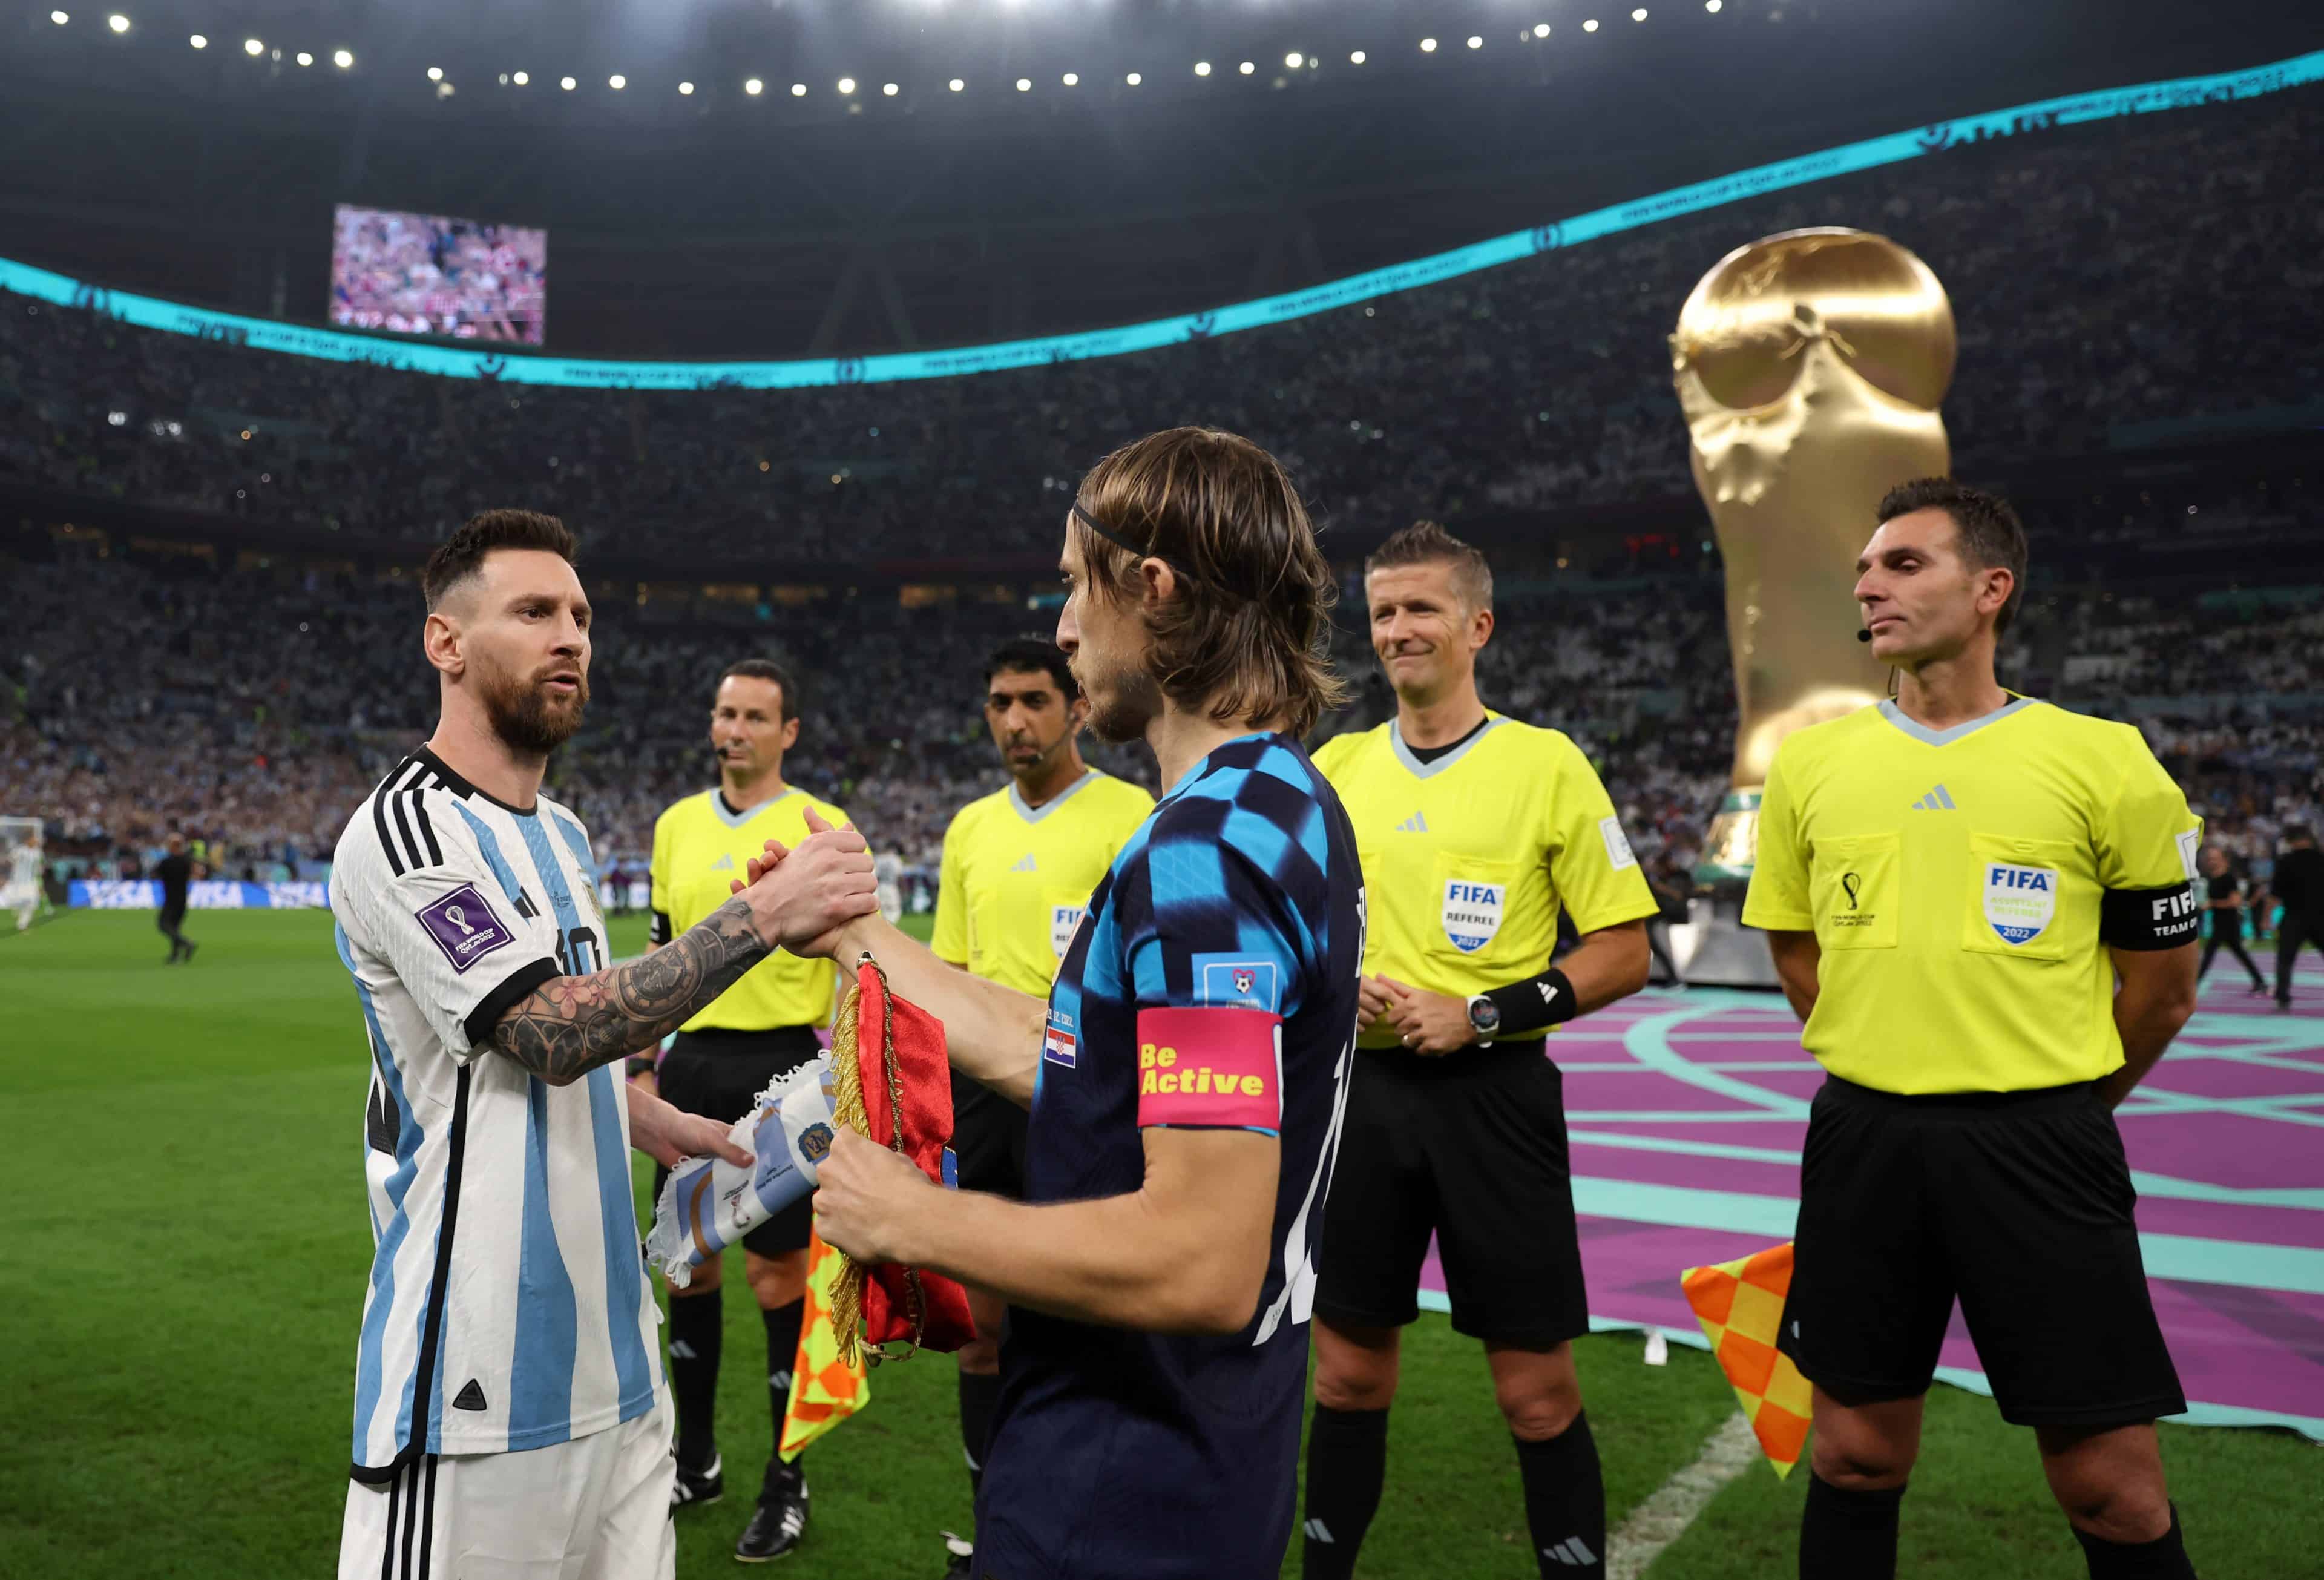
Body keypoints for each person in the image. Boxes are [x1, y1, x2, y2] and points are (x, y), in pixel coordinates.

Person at [790, 426, 1361, 1579]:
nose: (1061, 627)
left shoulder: (1203, 853)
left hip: (1124, 1481)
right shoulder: (1283, 801)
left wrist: (909, 1219)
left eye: (1072, 584)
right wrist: (856, 936)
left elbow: (1201, 1257)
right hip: (1211, 1446)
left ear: (1151, 587)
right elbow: (1066, 1051)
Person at [328, 509, 876, 1580]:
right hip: (475, 1388)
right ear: (446, 641)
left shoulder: (565, 833)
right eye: (535, 612)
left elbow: (526, 1038)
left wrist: (637, 1110)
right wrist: (763, 918)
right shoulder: (408, 830)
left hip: (620, 1375)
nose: (571, 637)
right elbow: (545, 1029)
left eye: (580, 616)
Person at [1742, 478, 2204, 1580]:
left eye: (1904, 564)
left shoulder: (2105, 758)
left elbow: (2162, 989)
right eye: (1865, 568)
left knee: (2113, 1489)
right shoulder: (1809, 763)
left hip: (2043, 1147)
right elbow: (1799, 955)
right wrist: (1892, 1056)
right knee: (1853, 1456)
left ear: (1991, 588)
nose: (1870, 585)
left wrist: (2061, 1099)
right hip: (1863, 1144)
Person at [1298, 522, 1656, 1580]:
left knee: (1535, 1390)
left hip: (1496, 1098)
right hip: (1361, 1099)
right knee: (1346, 1378)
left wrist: (1484, 1013)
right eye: (1383, 612)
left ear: (1479, 625)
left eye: (1422, 608)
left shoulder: (1547, 766)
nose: (1399, 629)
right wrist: (1333, 981)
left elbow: (1625, 951)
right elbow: (1285, 933)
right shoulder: (1334, 769)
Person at [927, 636, 1154, 1576]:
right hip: (985, 1102)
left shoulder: (1132, 816)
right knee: (981, 1335)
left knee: (1090, 1330)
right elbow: (948, 974)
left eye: (1033, 700)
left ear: (1077, 708)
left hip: (1090, 1100)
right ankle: (998, 1529)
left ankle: (1094, 1531)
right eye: (999, 703)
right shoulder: (970, 829)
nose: (1015, 721)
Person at [638, 657, 856, 1561]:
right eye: (725, 713)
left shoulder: (819, 825)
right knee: (686, 1269)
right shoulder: (675, 824)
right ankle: (696, 1458)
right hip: (691, 1063)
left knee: (778, 1279)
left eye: (755, 716)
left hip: (783, 1069)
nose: (734, 729)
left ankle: (786, 1476)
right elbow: (658, 951)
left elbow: (852, 958)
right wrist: (643, 1068)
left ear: (788, 731)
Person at [2194, 846, 2267, 995]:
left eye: (2215, 859)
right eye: (2209, 859)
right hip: (2219, 923)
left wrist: (2212, 904)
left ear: (2223, 860)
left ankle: (2194, 984)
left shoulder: (2229, 878)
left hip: (2229, 923)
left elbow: (2235, 902)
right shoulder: (2212, 879)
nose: (2211, 862)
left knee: (2209, 954)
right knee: (2239, 953)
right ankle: (2260, 982)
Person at [2272, 824, 2323, 1010]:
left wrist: (2265, 919)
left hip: (2294, 917)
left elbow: (2274, 894)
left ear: (2290, 841)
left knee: (2285, 959)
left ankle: (2283, 997)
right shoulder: (2321, 859)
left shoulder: (2285, 861)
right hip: (2320, 916)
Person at [154, 832, 199, 964]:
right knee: (175, 927)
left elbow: (155, 873)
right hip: (183, 899)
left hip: (171, 899)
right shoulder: (186, 861)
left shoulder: (167, 862)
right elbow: (193, 873)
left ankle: (187, 943)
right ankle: (175, 955)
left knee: (163, 925)